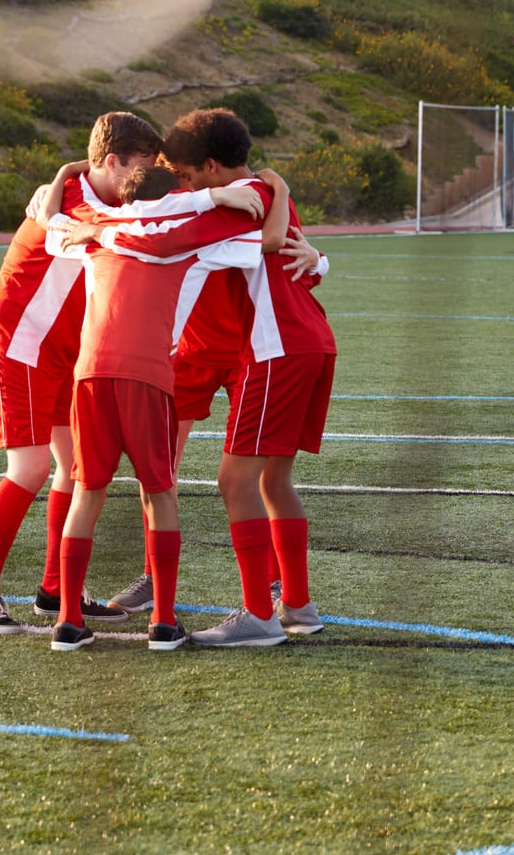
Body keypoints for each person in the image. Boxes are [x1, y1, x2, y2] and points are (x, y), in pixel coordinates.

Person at [48, 163, 292, 652]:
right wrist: (278, 190)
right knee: (160, 491)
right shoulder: (188, 240)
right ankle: (162, 621)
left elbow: (51, 222)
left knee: (87, 491)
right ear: (177, 195)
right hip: (148, 375)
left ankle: (69, 622)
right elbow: (269, 242)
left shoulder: (97, 230)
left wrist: (66, 173)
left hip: (90, 373)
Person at [0, 111, 160, 635]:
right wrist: (66, 176)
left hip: (61, 353)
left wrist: (69, 169)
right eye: (137, 168)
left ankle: (53, 590)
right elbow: (77, 224)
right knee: (27, 469)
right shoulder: (73, 203)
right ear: (111, 162)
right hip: (21, 346)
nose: (143, 181)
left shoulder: (89, 192)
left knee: (77, 467)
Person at [155, 108, 336, 648]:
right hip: (310, 342)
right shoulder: (267, 189)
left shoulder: (239, 201)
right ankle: (297, 605)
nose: (183, 184)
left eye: (187, 174)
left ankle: (258, 613)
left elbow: (179, 231)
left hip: (274, 349)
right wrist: (282, 190)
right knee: (272, 481)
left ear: (212, 167)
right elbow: (289, 249)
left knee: (234, 481)